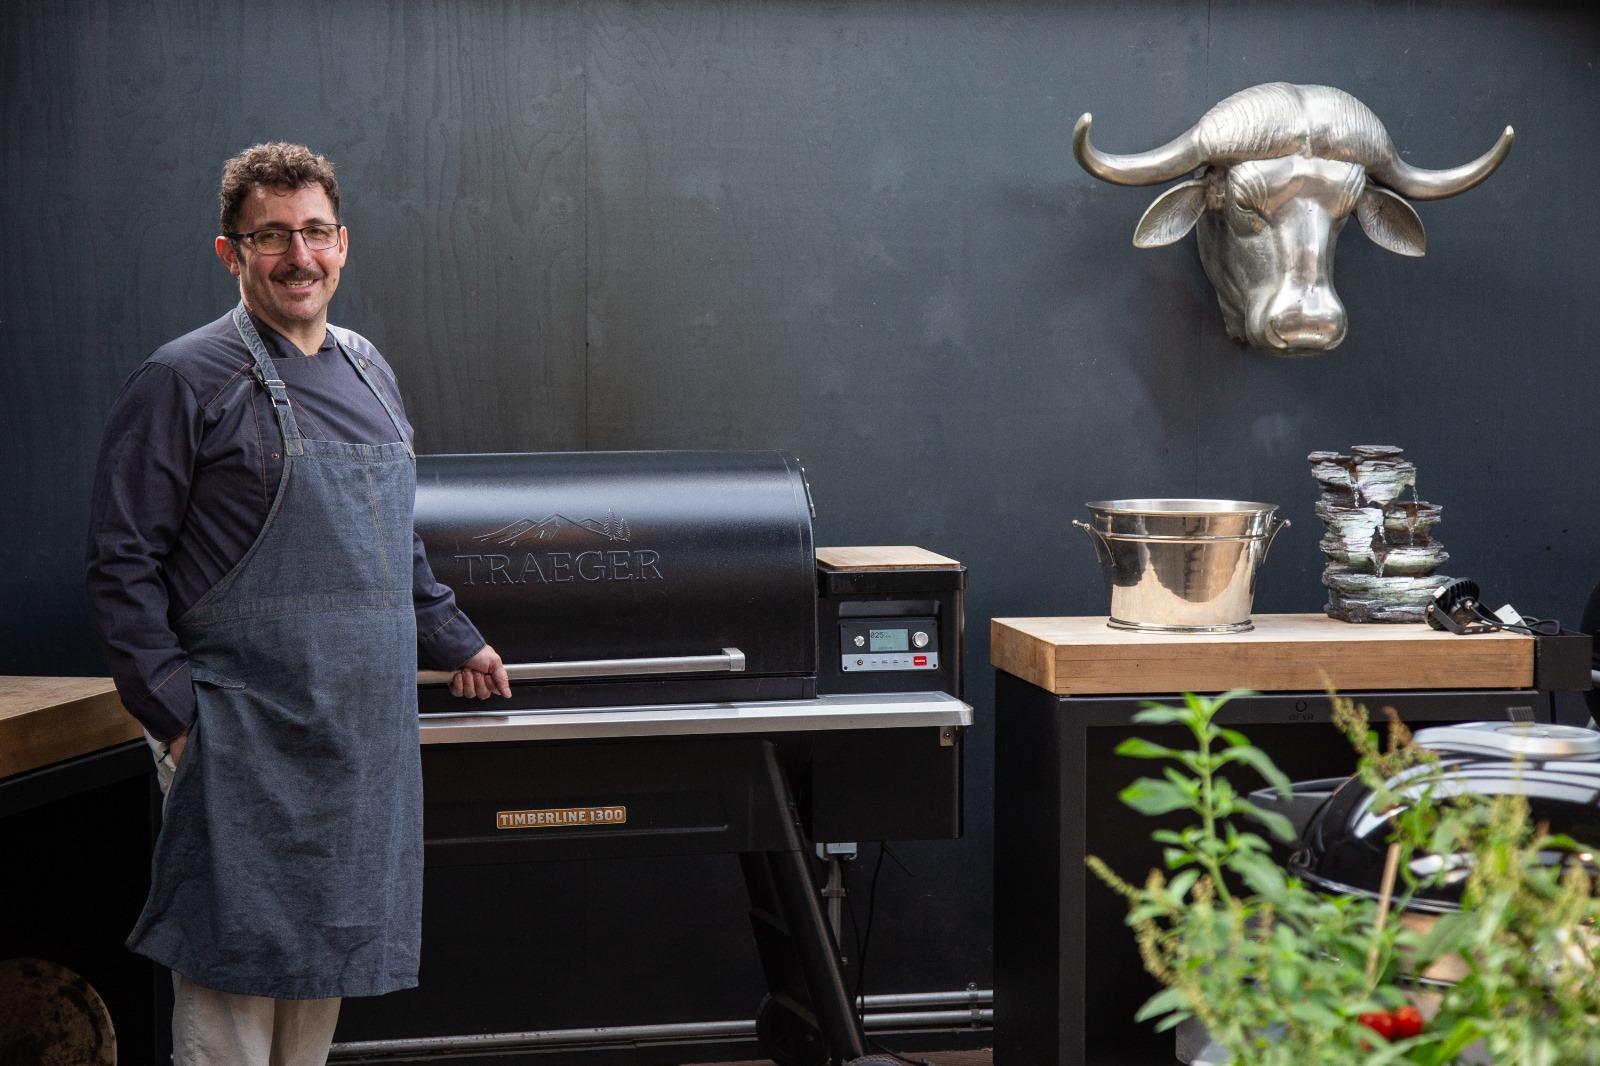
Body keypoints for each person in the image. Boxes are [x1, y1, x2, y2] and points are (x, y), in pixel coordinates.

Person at [84, 142, 511, 1065]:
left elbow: (391, 535)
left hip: (357, 733)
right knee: (232, 988)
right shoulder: (182, 380)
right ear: (229, 252)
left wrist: (452, 637)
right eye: (270, 236)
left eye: (314, 232)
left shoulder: (368, 369)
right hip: (240, 731)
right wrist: (175, 719)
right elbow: (121, 563)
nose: (298, 257)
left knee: (321, 974)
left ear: (344, 244)